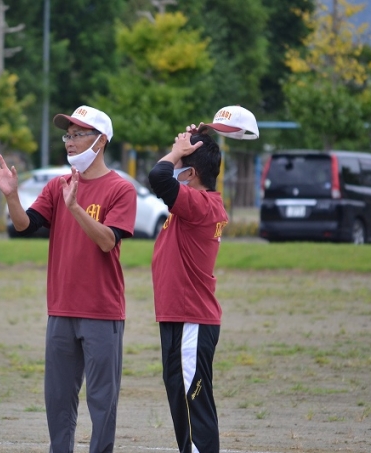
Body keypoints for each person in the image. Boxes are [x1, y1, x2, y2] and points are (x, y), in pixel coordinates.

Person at [0, 105, 137, 453]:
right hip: (61, 309)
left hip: (102, 311)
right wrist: (11, 195)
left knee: (102, 401)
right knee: (57, 399)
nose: (69, 141)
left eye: (78, 134)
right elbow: (25, 226)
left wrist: (75, 208)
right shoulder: (58, 185)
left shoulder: (121, 189)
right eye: (67, 135)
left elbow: (107, 241)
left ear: (100, 141)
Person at [148, 128, 227, 453]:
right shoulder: (194, 205)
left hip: (190, 320)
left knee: (195, 413)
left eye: (179, 161)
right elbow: (162, 179)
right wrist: (190, 142)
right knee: (185, 409)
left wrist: (178, 151)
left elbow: (158, 176)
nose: (173, 163)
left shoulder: (201, 204)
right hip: (180, 319)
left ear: (191, 173)